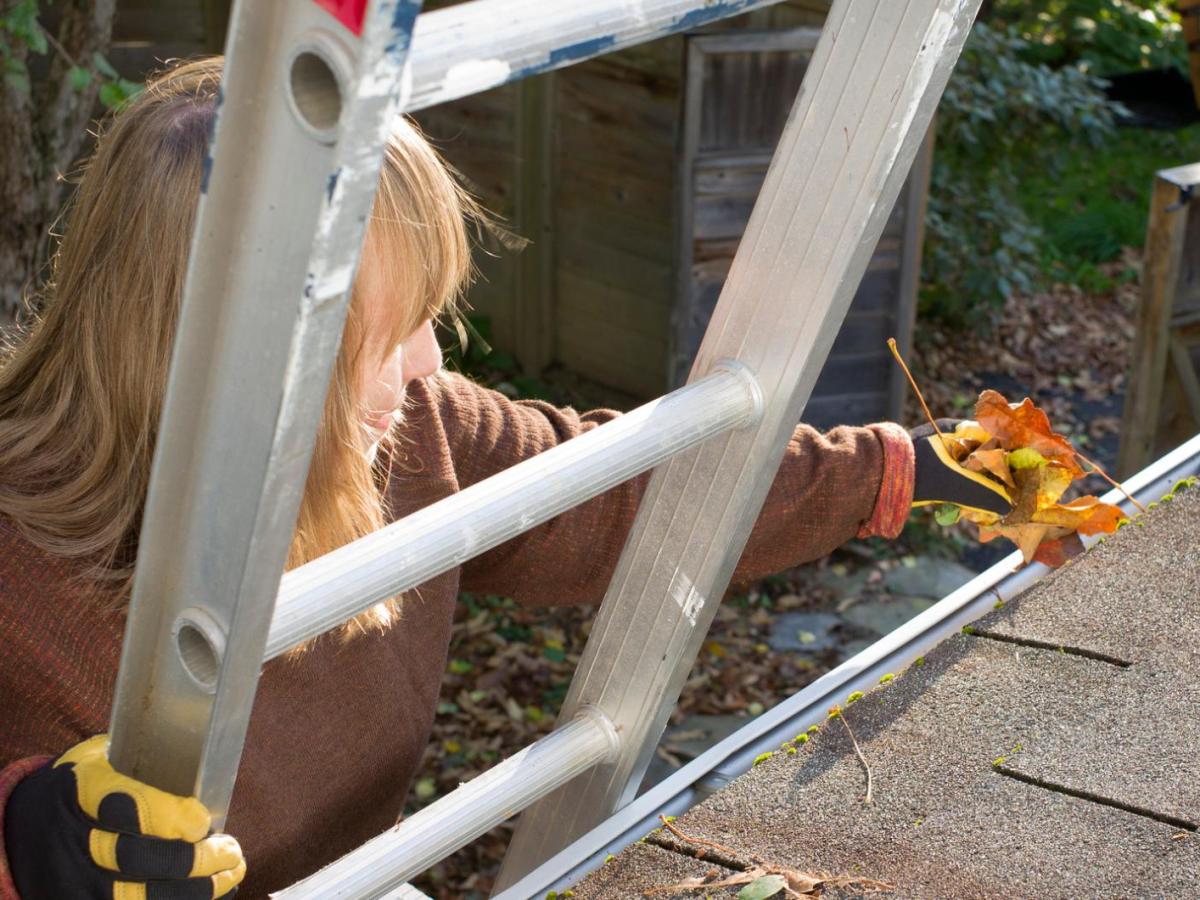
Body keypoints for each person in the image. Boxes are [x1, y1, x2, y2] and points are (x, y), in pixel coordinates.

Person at [0, 58, 1009, 899]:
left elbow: (626, 491)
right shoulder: (16, 559)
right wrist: (21, 851)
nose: (433, 363)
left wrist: (900, 467)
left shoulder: (411, 435)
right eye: (389, 334)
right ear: (233, 352)